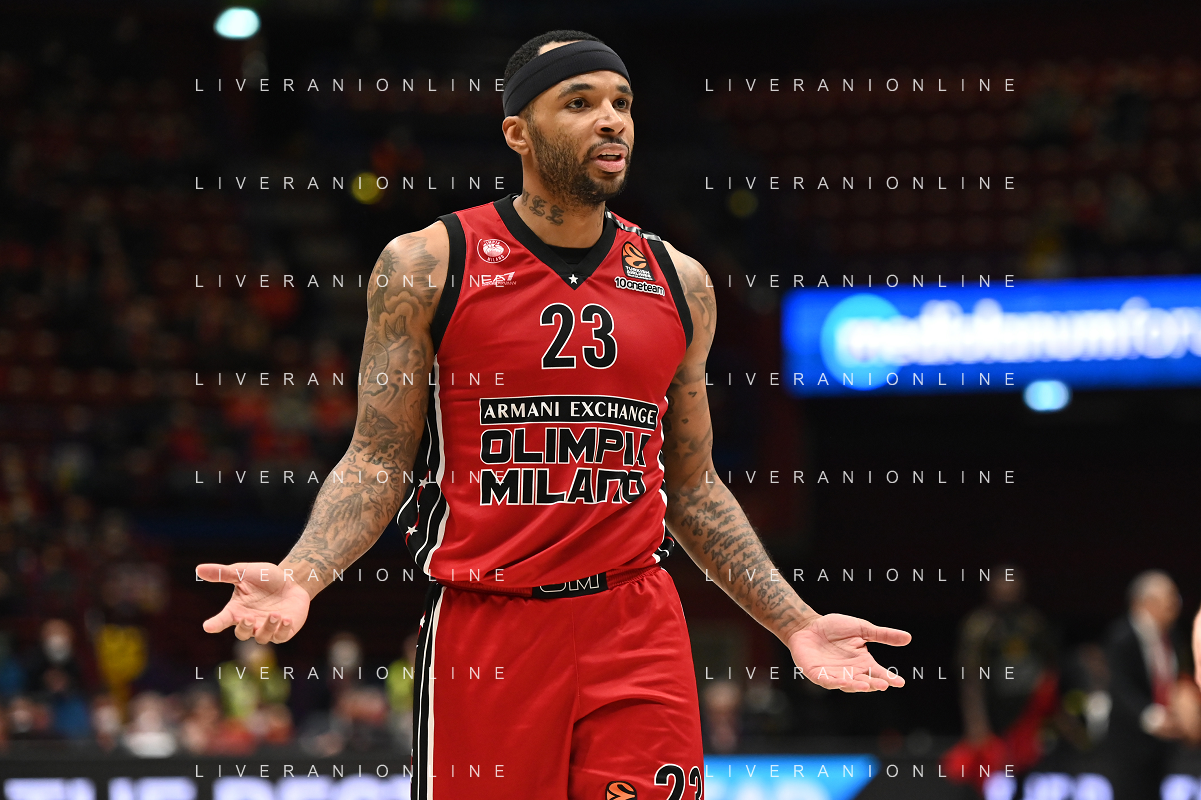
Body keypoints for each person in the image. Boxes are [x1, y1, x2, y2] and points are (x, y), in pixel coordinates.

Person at [196, 30, 911, 798]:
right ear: (518, 132)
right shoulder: (428, 264)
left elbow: (693, 488)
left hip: (635, 625)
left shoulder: (682, 282)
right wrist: (302, 576)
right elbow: (377, 459)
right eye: (579, 102)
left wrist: (794, 622)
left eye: (621, 103)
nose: (611, 120)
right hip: (489, 627)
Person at [1104, 570, 1186, 800]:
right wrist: (1152, 717)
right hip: (1129, 742)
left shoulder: (1172, 636)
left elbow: (1172, 679)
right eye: (1170, 599)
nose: (1175, 605)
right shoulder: (1122, 636)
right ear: (1148, 602)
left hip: (1162, 745)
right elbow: (1119, 686)